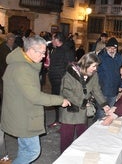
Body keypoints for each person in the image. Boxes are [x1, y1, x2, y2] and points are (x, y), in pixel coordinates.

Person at [0, 35, 71, 164]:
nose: (44, 56)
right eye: (42, 52)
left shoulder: (20, 64)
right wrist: (60, 100)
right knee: (32, 151)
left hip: (19, 112)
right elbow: (35, 96)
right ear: (31, 50)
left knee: (24, 149)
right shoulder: (23, 69)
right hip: (24, 117)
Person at [59, 53, 110, 152]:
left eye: (96, 66)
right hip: (70, 109)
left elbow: (96, 90)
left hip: (82, 110)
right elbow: (66, 92)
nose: (95, 69)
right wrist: (82, 102)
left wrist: (104, 105)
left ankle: (80, 156)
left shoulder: (94, 75)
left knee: (83, 136)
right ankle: (64, 157)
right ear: (86, 64)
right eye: (93, 66)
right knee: (67, 138)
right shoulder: (70, 74)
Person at [48, 32, 75, 127]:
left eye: (53, 39)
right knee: (57, 101)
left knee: (63, 101)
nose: (51, 41)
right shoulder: (56, 49)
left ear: (57, 40)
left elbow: (70, 66)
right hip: (55, 79)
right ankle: (58, 120)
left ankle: (64, 122)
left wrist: (65, 79)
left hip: (62, 80)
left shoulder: (67, 50)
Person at [97, 37, 122, 108]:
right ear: (106, 48)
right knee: (101, 113)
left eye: (114, 48)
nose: (112, 50)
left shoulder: (119, 58)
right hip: (103, 91)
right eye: (110, 48)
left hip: (114, 90)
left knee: (110, 112)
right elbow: (96, 73)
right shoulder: (101, 57)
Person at [0, 33, 17, 103]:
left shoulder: (16, 47)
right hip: (4, 70)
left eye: (13, 40)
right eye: (10, 40)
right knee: (4, 87)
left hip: (14, 71)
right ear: (7, 40)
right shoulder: (2, 48)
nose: (11, 41)